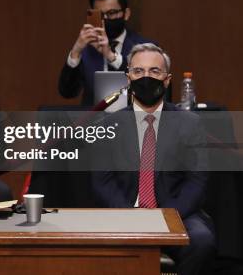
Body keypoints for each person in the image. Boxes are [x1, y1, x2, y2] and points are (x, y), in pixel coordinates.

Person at [92, 43, 215, 275]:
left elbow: (197, 180)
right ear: (128, 77)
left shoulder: (190, 124)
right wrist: (131, 216)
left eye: (154, 71)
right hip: (124, 211)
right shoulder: (108, 126)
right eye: (138, 71)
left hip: (177, 212)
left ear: (167, 79)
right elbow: (102, 181)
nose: (145, 77)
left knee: (201, 241)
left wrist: (166, 218)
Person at [58, 0, 152, 106]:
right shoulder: (86, 49)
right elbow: (67, 92)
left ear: (126, 13)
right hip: (93, 122)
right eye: (101, 15)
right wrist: (75, 52)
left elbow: (147, 90)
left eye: (112, 13)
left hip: (132, 121)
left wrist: (111, 56)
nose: (106, 19)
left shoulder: (146, 48)